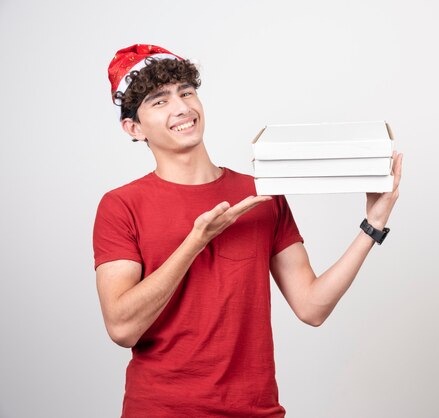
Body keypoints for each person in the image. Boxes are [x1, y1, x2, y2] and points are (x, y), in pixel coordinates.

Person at [93, 44, 403, 418]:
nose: (182, 108)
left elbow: (311, 307)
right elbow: (122, 327)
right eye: (160, 101)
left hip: (255, 411)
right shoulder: (121, 206)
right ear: (134, 127)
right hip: (161, 411)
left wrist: (373, 224)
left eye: (186, 92)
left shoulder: (260, 193)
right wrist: (196, 241)